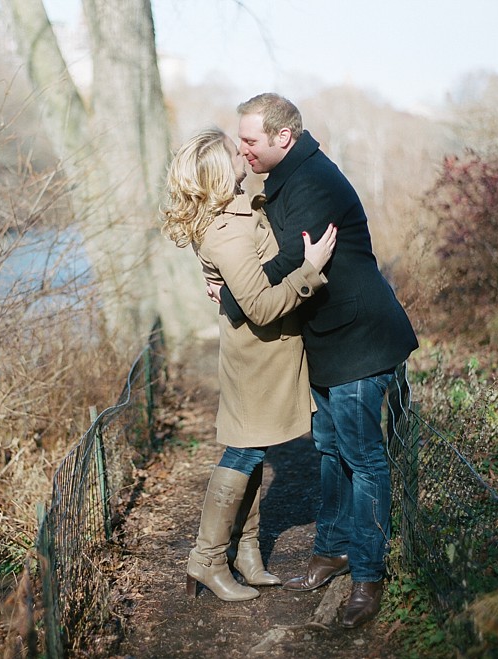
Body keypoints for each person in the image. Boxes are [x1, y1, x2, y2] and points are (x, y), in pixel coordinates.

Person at [215, 93, 419, 627]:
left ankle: (368, 579)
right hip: (327, 338)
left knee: (363, 458)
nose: (243, 150)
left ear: (283, 137)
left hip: (360, 338)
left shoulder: (313, 182)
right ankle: (331, 552)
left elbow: (285, 261)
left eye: (250, 140)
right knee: (330, 449)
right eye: (241, 140)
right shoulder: (285, 174)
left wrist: (232, 296)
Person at [161, 128, 337, 602]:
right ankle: (207, 558)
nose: (242, 151)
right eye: (231, 151)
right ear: (219, 172)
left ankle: (246, 553)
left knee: (253, 449)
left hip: (265, 351)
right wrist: (311, 271)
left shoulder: (237, 211)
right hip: (258, 355)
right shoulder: (225, 229)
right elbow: (259, 305)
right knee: (243, 451)